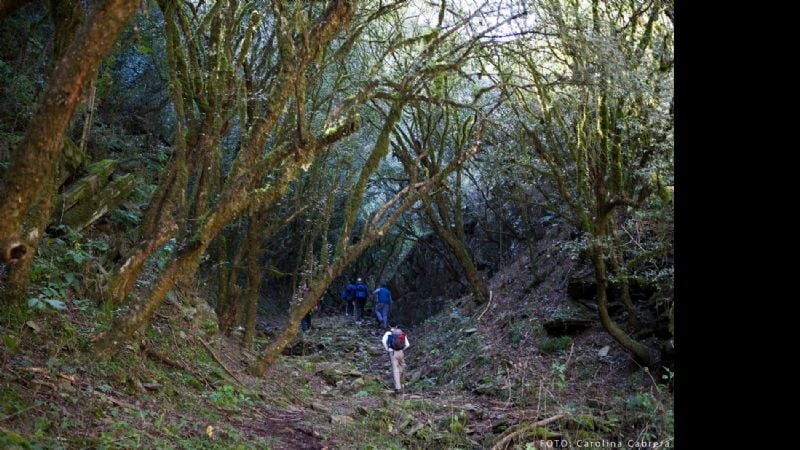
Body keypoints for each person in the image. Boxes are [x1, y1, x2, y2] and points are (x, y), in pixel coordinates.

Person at [382, 324, 410, 395]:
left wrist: (388, 349)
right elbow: (407, 344)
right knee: (402, 367)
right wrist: (402, 349)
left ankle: (398, 387)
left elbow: (383, 341)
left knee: (395, 369)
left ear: (389, 326)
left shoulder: (388, 333)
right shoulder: (401, 333)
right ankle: (402, 384)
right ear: (396, 326)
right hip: (401, 352)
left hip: (393, 353)